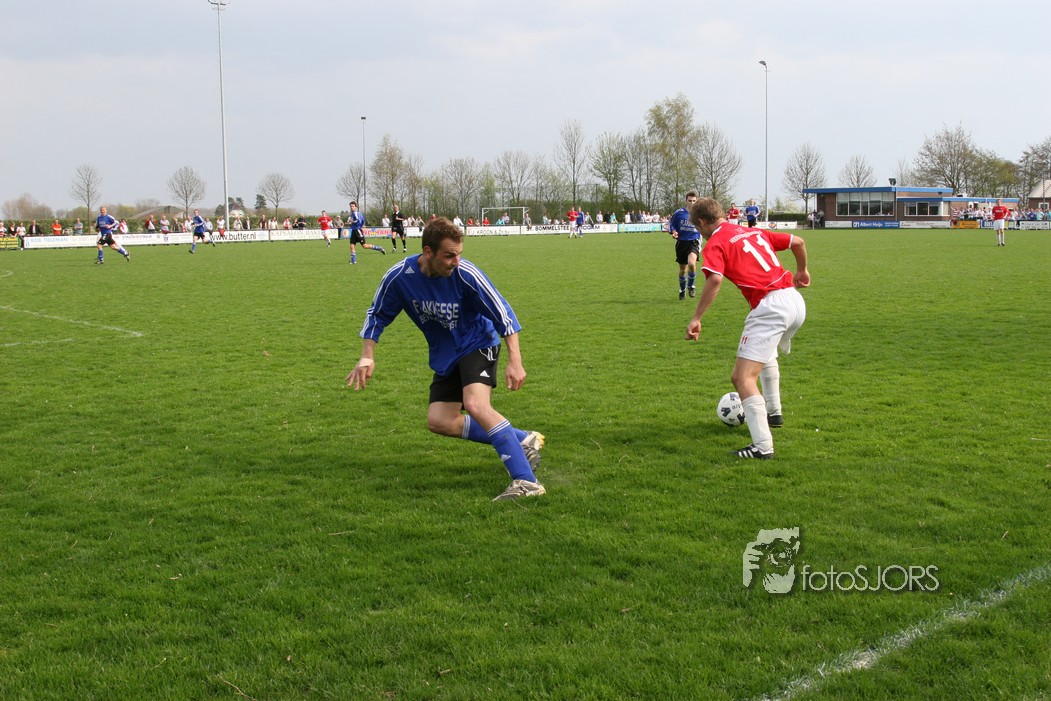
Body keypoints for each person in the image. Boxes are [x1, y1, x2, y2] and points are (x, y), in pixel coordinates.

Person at [346, 217, 546, 501]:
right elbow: (377, 314)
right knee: (440, 421)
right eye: (450, 255)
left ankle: (527, 482)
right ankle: (522, 439)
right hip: (446, 353)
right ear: (428, 252)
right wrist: (367, 356)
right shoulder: (399, 277)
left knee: (476, 405)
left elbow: (504, 314)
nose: (456, 261)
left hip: (478, 342)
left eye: (459, 254)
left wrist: (516, 360)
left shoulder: (466, 275)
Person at [685, 198, 810, 460]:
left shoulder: (715, 242)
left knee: (742, 378)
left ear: (702, 222)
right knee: (765, 353)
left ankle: (762, 447)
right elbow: (798, 242)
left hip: (770, 307)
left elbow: (715, 279)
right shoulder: (753, 231)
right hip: (794, 300)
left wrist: (696, 317)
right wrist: (802, 271)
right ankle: (774, 412)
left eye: (697, 228)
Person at [668, 191, 702, 300]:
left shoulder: (700, 213)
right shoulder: (679, 213)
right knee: (683, 269)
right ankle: (682, 290)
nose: (692, 203)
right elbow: (672, 224)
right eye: (690, 201)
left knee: (692, 263)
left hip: (694, 241)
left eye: (694, 201)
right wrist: (674, 232)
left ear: (697, 201)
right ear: (686, 201)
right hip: (682, 243)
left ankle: (691, 286)